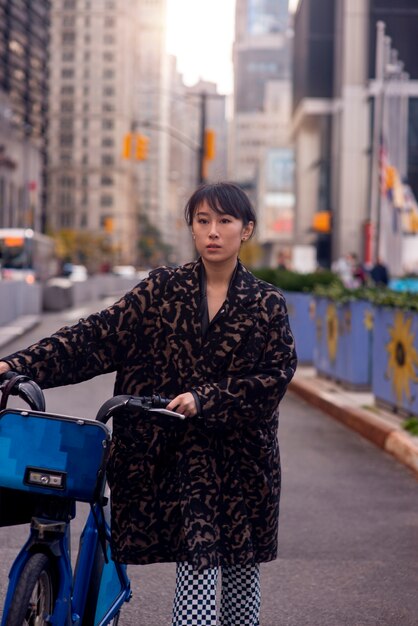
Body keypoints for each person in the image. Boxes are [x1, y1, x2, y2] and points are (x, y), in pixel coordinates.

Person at [0, 182, 297, 626]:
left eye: (225, 221)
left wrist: (206, 398)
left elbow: (276, 374)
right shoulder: (162, 290)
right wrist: (15, 364)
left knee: (240, 580)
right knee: (197, 570)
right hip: (174, 458)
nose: (213, 231)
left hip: (242, 464)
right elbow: (95, 337)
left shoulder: (266, 302)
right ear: (192, 229)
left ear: (247, 230)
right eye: (202, 221)